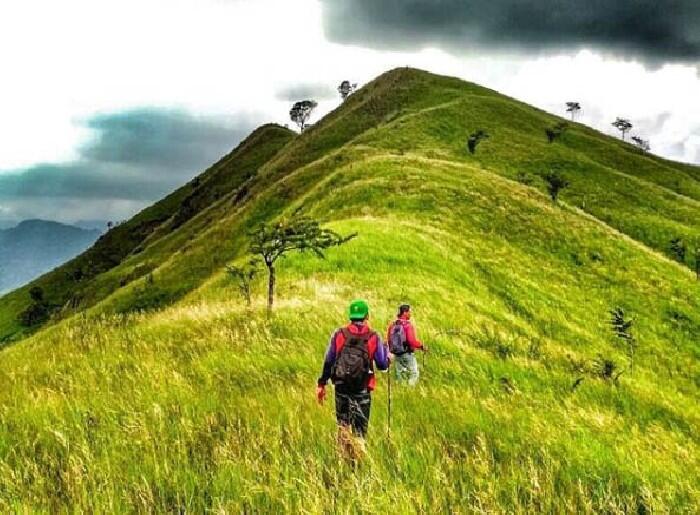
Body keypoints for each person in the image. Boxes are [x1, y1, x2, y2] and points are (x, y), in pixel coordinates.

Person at [317, 299, 389, 460]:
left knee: (343, 426)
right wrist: (387, 353)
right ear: (367, 316)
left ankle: (342, 461)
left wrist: (321, 384)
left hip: (341, 389)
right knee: (360, 430)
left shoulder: (339, 334)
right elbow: (383, 365)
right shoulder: (373, 336)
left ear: (351, 316)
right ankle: (358, 464)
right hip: (362, 389)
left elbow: (329, 361)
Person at [387, 304, 426, 386]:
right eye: (409, 312)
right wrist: (421, 346)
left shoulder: (392, 325)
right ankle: (410, 391)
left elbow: (389, 339)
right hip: (407, 354)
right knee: (413, 373)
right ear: (404, 312)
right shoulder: (408, 326)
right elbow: (411, 341)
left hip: (397, 354)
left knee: (401, 375)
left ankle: (402, 391)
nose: (410, 314)